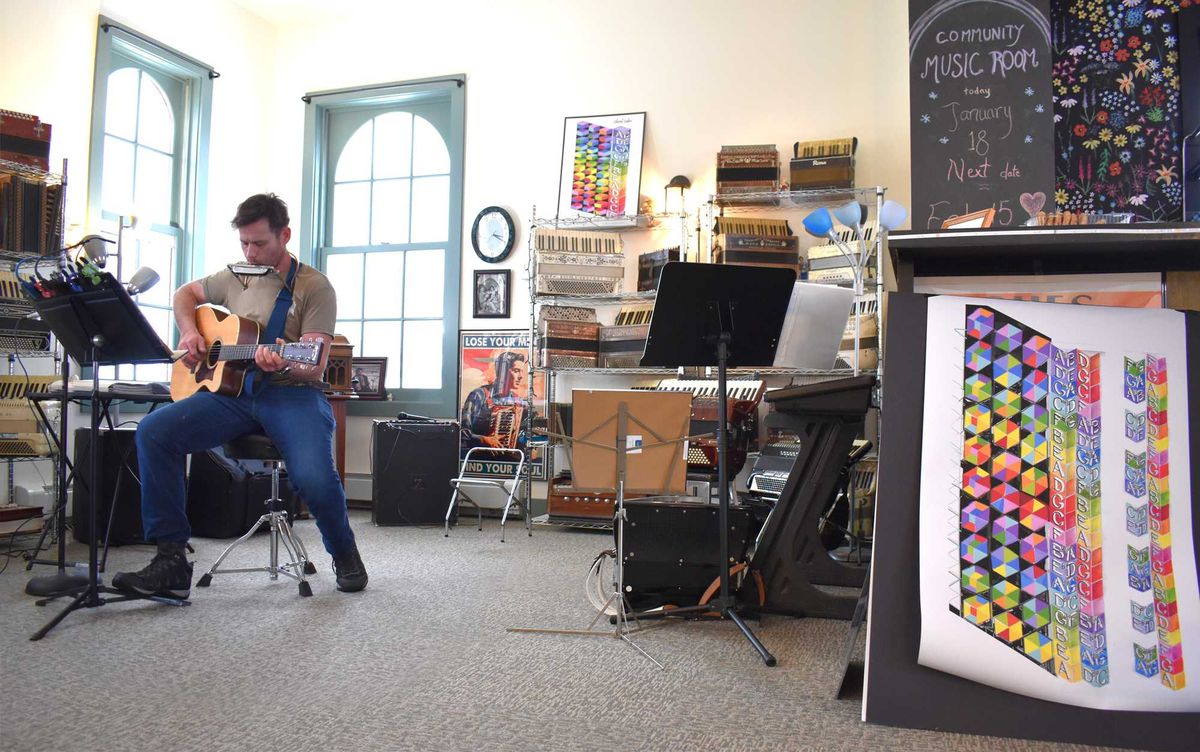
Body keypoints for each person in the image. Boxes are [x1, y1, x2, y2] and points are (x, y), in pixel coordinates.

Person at [113, 193, 367, 598]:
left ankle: (345, 553)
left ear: (284, 235)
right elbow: (185, 294)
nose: (250, 252)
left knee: (314, 477)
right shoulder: (236, 275)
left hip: (292, 393)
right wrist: (192, 332)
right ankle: (171, 561)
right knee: (154, 431)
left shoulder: (314, 287)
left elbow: (314, 363)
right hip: (232, 393)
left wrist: (283, 361)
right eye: (244, 243)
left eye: (260, 243)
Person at [460, 350, 528, 450]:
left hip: (509, 459)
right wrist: (483, 439)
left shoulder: (518, 402)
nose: (521, 376)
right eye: (516, 371)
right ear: (502, 371)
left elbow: (524, 434)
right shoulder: (478, 395)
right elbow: (462, 432)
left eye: (521, 371)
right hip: (480, 457)